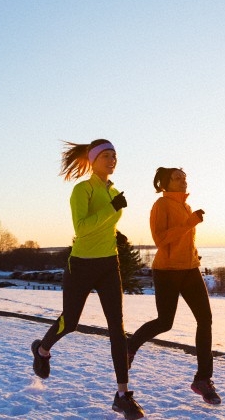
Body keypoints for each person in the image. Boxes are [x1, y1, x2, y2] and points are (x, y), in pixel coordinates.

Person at [30, 139, 145, 420]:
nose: (112, 159)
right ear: (93, 160)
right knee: (71, 322)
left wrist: (116, 234)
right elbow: (81, 229)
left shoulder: (113, 191)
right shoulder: (82, 189)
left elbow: (103, 225)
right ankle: (42, 350)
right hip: (80, 265)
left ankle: (122, 395)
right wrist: (111, 210)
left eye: (115, 155)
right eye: (106, 155)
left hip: (109, 265)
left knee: (117, 329)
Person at [128, 167, 221, 405]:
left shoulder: (186, 206)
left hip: (190, 270)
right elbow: (160, 239)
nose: (183, 181)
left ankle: (202, 379)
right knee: (164, 322)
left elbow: (184, 240)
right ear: (165, 183)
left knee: (205, 320)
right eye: (177, 178)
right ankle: (130, 346)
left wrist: (194, 255)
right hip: (167, 271)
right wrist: (190, 223)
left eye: (185, 178)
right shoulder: (161, 206)